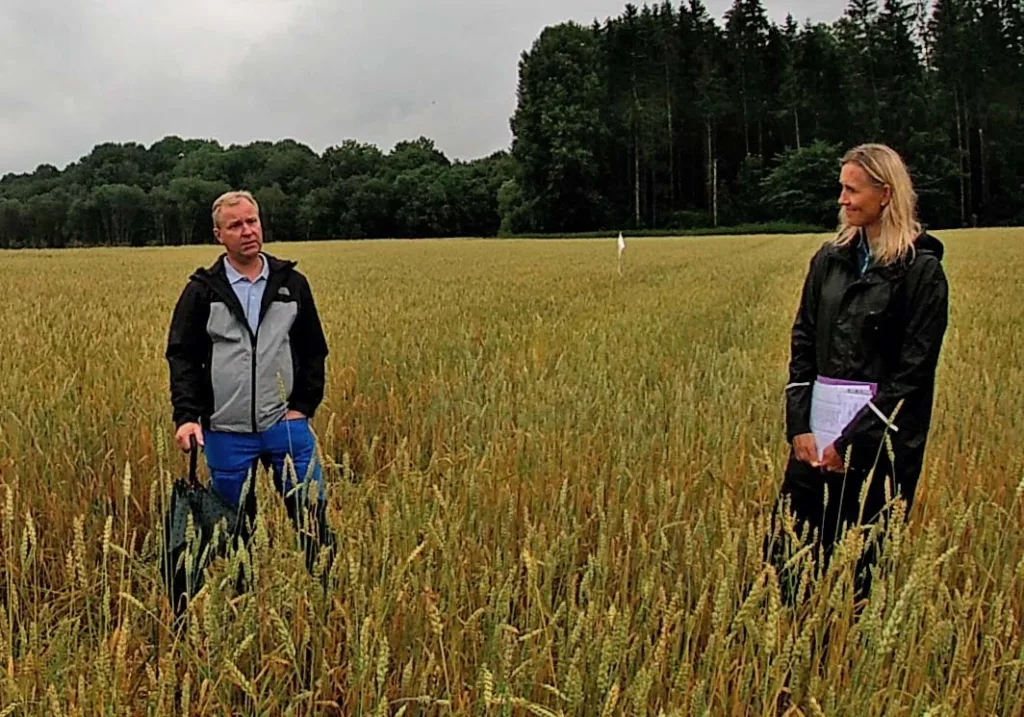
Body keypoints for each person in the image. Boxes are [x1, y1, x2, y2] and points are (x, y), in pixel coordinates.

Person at [768, 143, 949, 604]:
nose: (842, 200)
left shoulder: (921, 273)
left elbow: (912, 376)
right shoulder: (828, 261)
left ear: (886, 194)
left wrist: (852, 443)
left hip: (879, 453)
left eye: (852, 190)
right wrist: (799, 427)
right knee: (786, 569)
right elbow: (803, 342)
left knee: (858, 581)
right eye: (841, 189)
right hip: (814, 446)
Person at [165, 190, 333, 572]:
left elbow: (313, 349)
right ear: (218, 235)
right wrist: (187, 416)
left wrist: (302, 408)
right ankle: (245, 598)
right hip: (225, 430)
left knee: (312, 522)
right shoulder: (201, 292)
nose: (247, 231)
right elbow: (183, 356)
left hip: (285, 427)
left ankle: (326, 595)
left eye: (252, 221)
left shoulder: (292, 284)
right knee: (234, 530)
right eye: (235, 225)